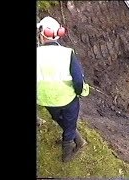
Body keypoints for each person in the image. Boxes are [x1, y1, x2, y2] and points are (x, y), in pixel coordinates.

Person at [37, 16, 90, 162]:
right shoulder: (67, 53)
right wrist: (80, 92)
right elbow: (78, 80)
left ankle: (78, 141)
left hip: (46, 99)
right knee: (70, 124)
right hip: (67, 99)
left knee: (59, 119)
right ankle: (67, 154)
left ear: (41, 34)